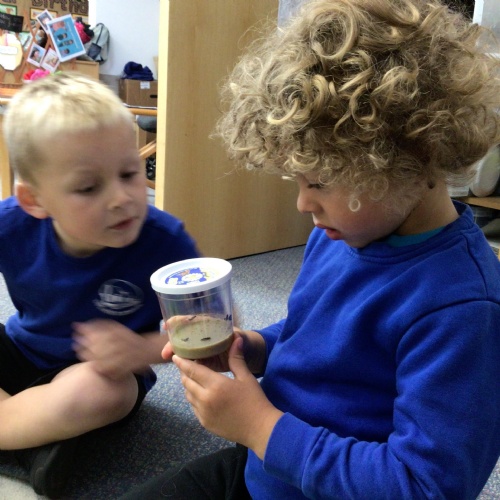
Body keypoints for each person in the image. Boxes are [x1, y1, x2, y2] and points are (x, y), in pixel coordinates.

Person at [121, 0, 500, 498]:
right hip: (268, 471)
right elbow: (312, 337)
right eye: (297, 180)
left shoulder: (462, 308)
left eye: (320, 182)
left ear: (409, 158)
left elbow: (425, 487)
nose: (303, 204)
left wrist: (259, 426)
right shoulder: (339, 232)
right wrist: (251, 347)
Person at [0, 72, 199, 498]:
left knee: (104, 393)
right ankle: (31, 441)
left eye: (129, 173)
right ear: (34, 200)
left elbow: (214, 323)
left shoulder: (165, 240)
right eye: (89, 187)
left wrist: (142, 350)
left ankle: (20, 431)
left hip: (100, 373)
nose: (121, 198)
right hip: (19, 352)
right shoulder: (10, 224)